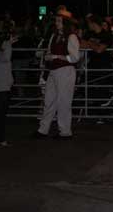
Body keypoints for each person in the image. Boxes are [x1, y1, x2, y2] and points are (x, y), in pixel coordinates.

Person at [36, 8, 80, 139]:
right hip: (54, 70)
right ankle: (43, 129)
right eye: (56, 20)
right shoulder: (54, 36)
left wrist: (57, 57)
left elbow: (75, 57)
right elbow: (50, 51)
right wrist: (49, 56)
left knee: (64, 101)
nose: (56, 23)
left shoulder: (71, 37)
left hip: (65, 71)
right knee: (49, 100)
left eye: (59, 21)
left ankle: (65, 131)